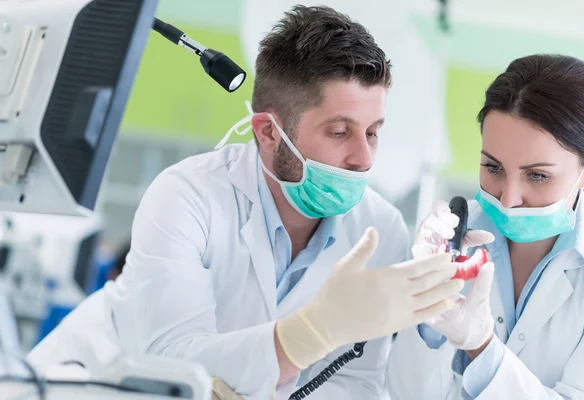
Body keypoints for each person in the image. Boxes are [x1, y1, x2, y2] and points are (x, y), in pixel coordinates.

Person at [28, 5, 464, 400]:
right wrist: (309, 334)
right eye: (339, 132)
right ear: (268, 132)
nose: (364, 158)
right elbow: (171, 363)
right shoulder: (187, 196)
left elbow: (357, 384)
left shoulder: (379, 228)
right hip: (90, 384)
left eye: (372, 132)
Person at [387, 54, 584, 399]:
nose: (509, 198)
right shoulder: (452, 241)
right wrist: (427, 310)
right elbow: (403, 392)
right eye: (493, 167)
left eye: (537, 175)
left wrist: (481, 348)